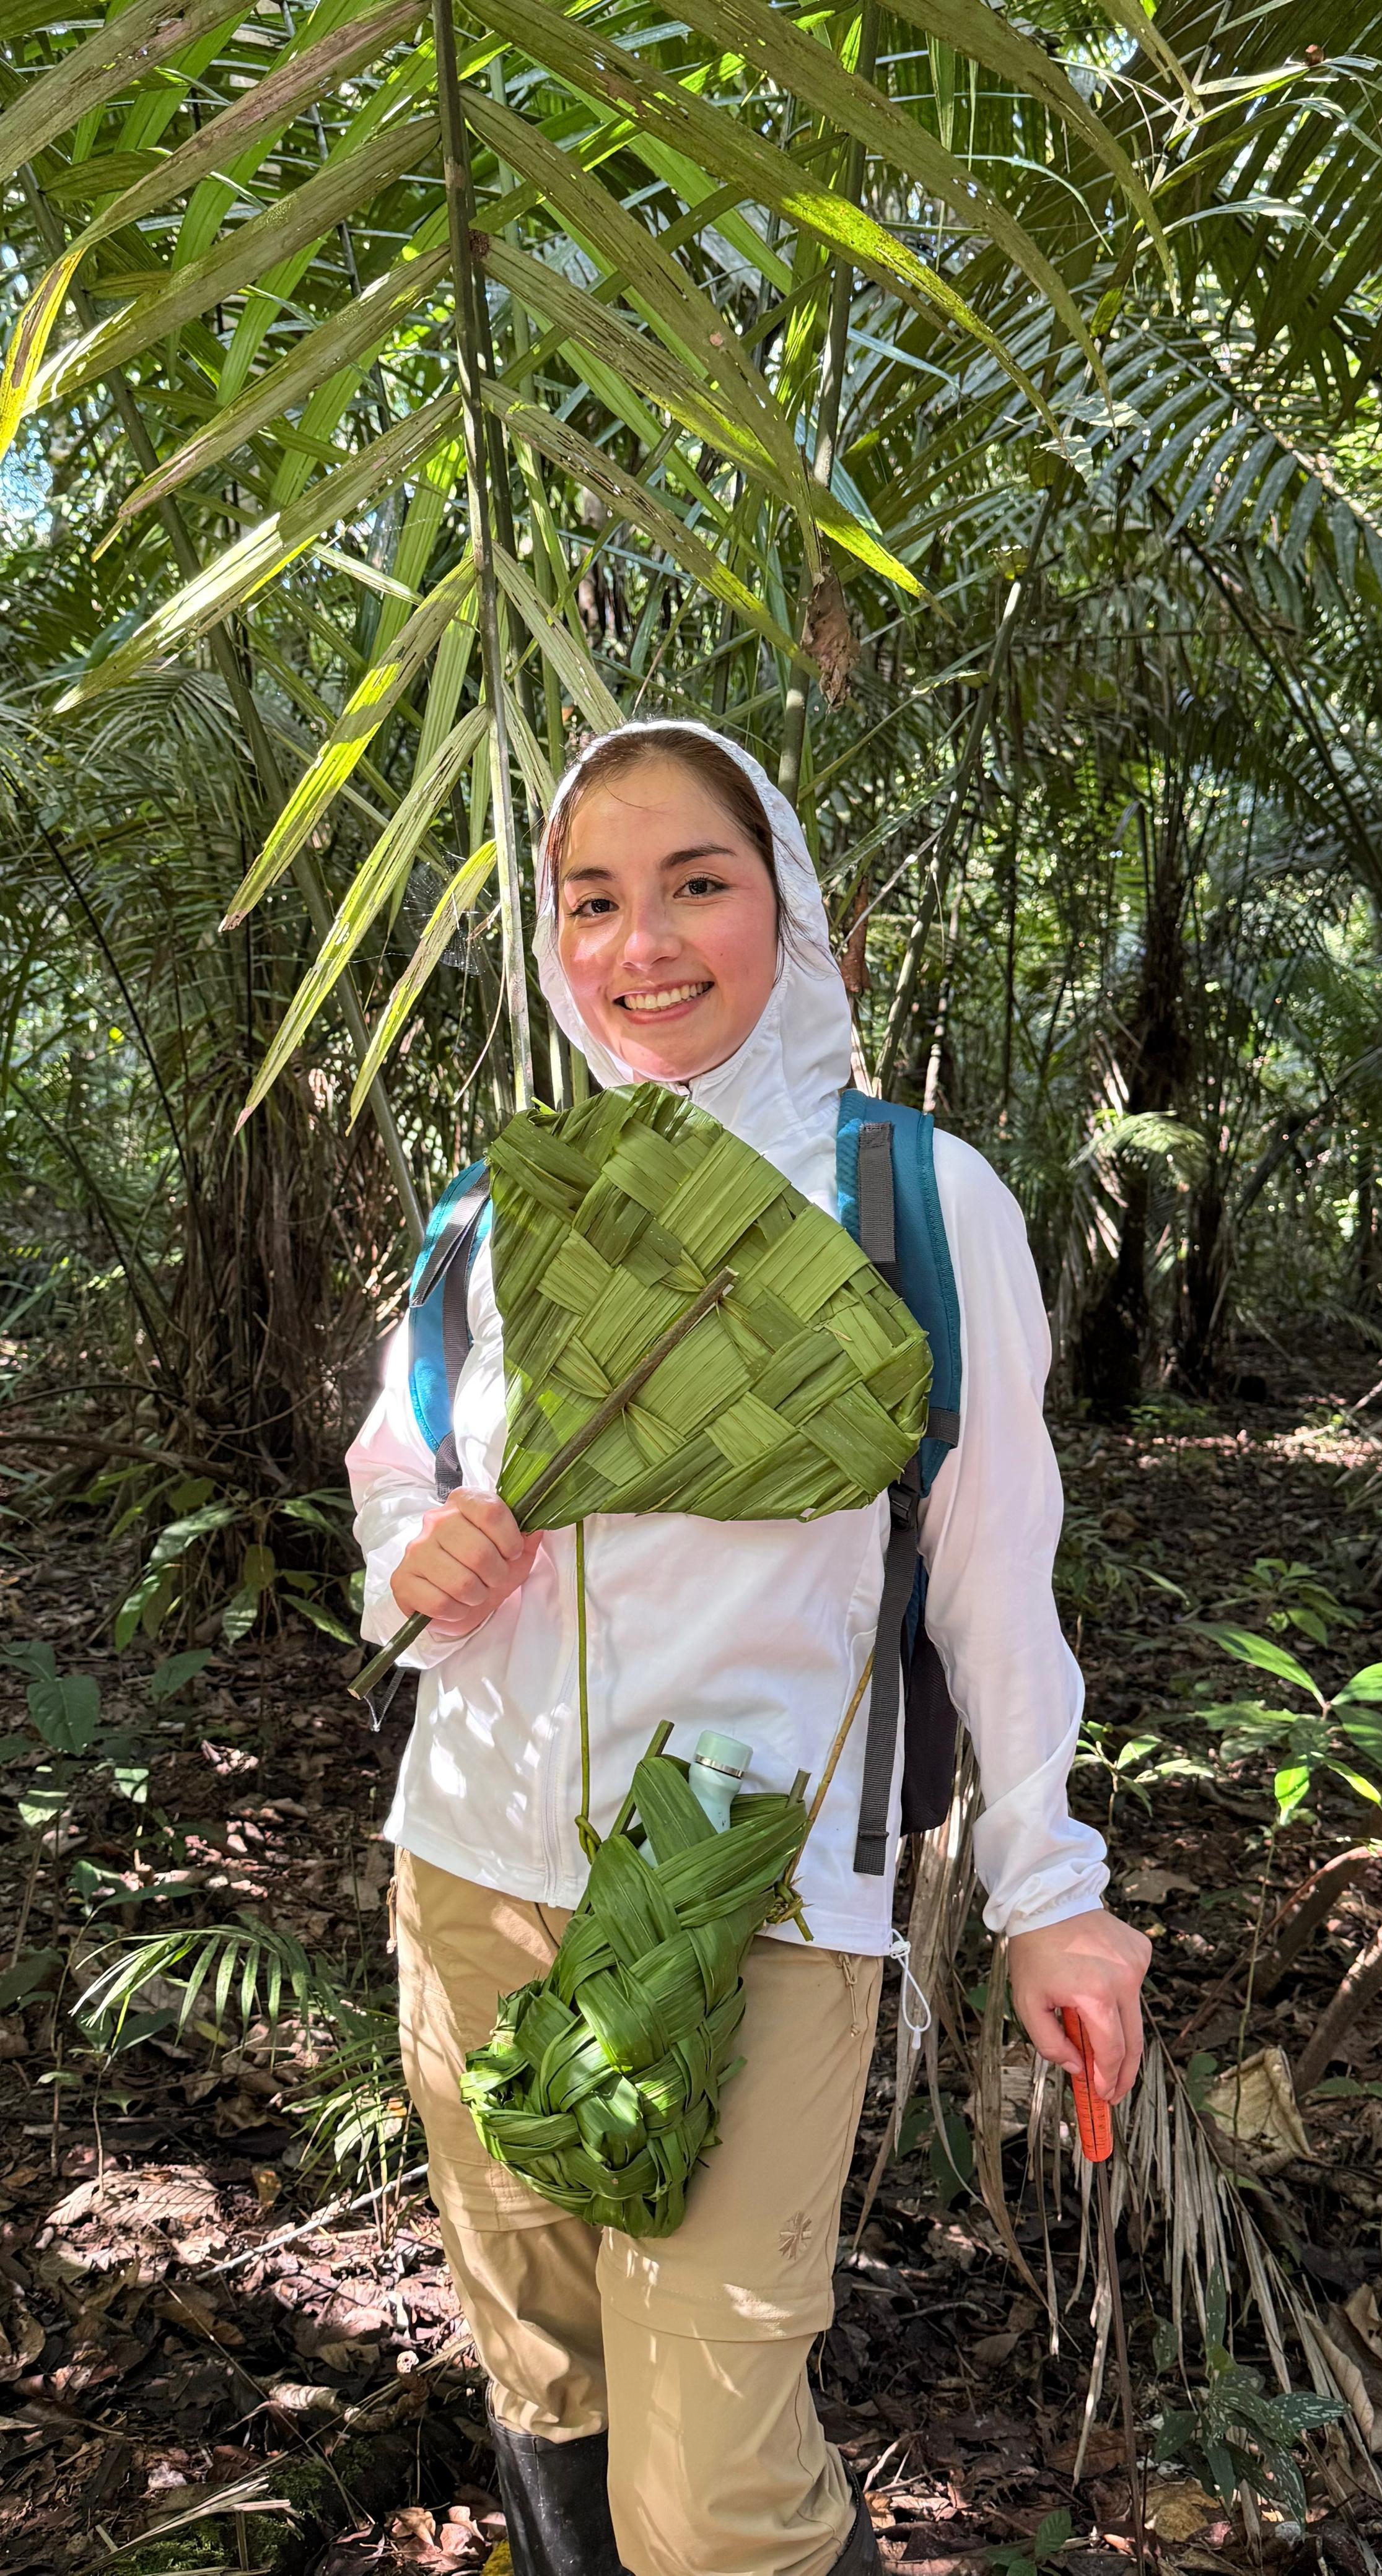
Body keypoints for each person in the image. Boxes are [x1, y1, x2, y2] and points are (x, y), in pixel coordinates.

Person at [346, 721, 1151, 2576]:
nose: (644, 946)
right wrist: (419, 1551)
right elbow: (394, 1466)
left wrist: (1047, 1891)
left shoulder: (910, 1203)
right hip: (472, 1865)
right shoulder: (499, 1201)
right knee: (544, 2371)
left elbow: (987, 1573)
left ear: (783, 906)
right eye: (593, 901)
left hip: (753, 1894)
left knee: (710, 2502)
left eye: (695, 886)